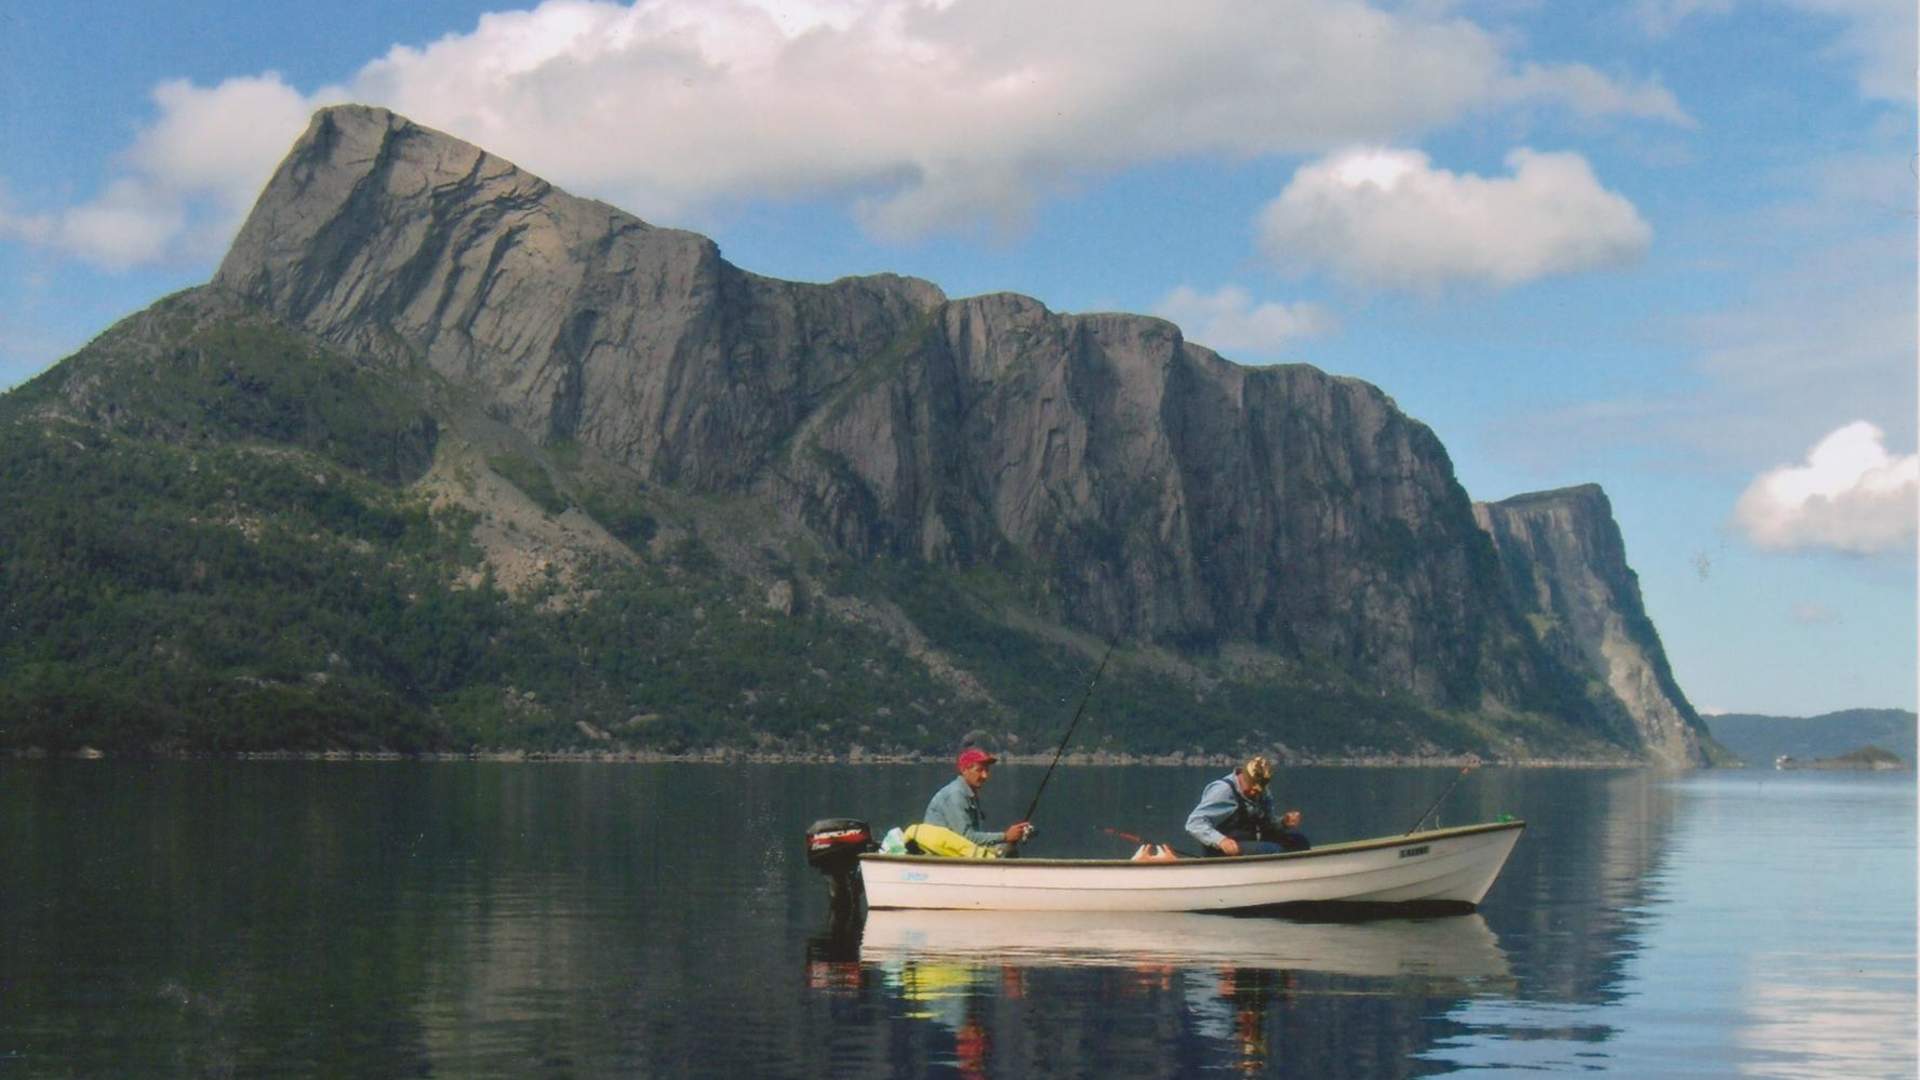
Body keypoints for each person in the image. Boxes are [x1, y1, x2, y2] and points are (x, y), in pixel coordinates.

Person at [1184, 755, 1309, 857]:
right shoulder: (1223, 790)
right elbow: (1194, 823)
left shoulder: (1263, 792)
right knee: (1273, 850)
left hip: (1252, 841)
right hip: (1225, 849)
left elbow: (1268, 823)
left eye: (1260, 789)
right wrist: (1221, 841)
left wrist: (1283, 822)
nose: (1255, 792)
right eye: (1252, 787)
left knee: (1299, 842)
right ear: (1243, 776)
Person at [923, 747, 1033, 854]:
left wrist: (1012, 836)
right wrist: (1005, 836)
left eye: (987, 770)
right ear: (964, 770)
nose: (985, 776)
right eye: (979, 770)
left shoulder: (968, 793)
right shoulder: (955, 795)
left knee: (1008, 849)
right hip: (939, 855)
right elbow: (966, 837)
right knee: (1006, 850)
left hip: (954, 851)